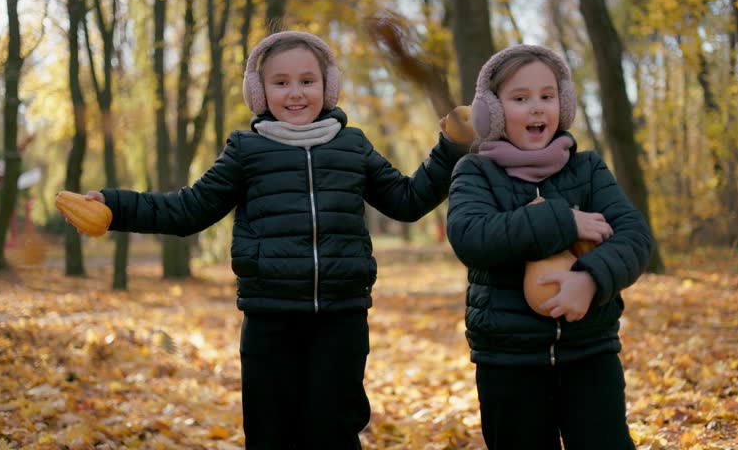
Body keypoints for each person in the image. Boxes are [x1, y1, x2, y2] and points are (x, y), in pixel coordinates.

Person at [58, 31, 469, 449]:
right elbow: (187, 210)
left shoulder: (353, 146)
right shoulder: (246, 151)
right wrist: (115, 206)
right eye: (281, 82)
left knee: (334, 431)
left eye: (307, 81)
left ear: (327, 87)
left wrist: (450, 148)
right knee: (271, 432)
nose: (295, 93)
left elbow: (407, 200)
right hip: (270, 317)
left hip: (341, 318)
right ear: (259, 91)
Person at [445, 44, 652, 449]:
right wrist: (564, 220)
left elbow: (634, 236)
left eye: (547, 96)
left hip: (589, 350)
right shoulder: (475, 172)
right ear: (494, 111)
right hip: (507, 358)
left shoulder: (587, 169)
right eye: (520, 99)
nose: (537, 108)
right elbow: (471, 235)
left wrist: (591, 280)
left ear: (565, 103)